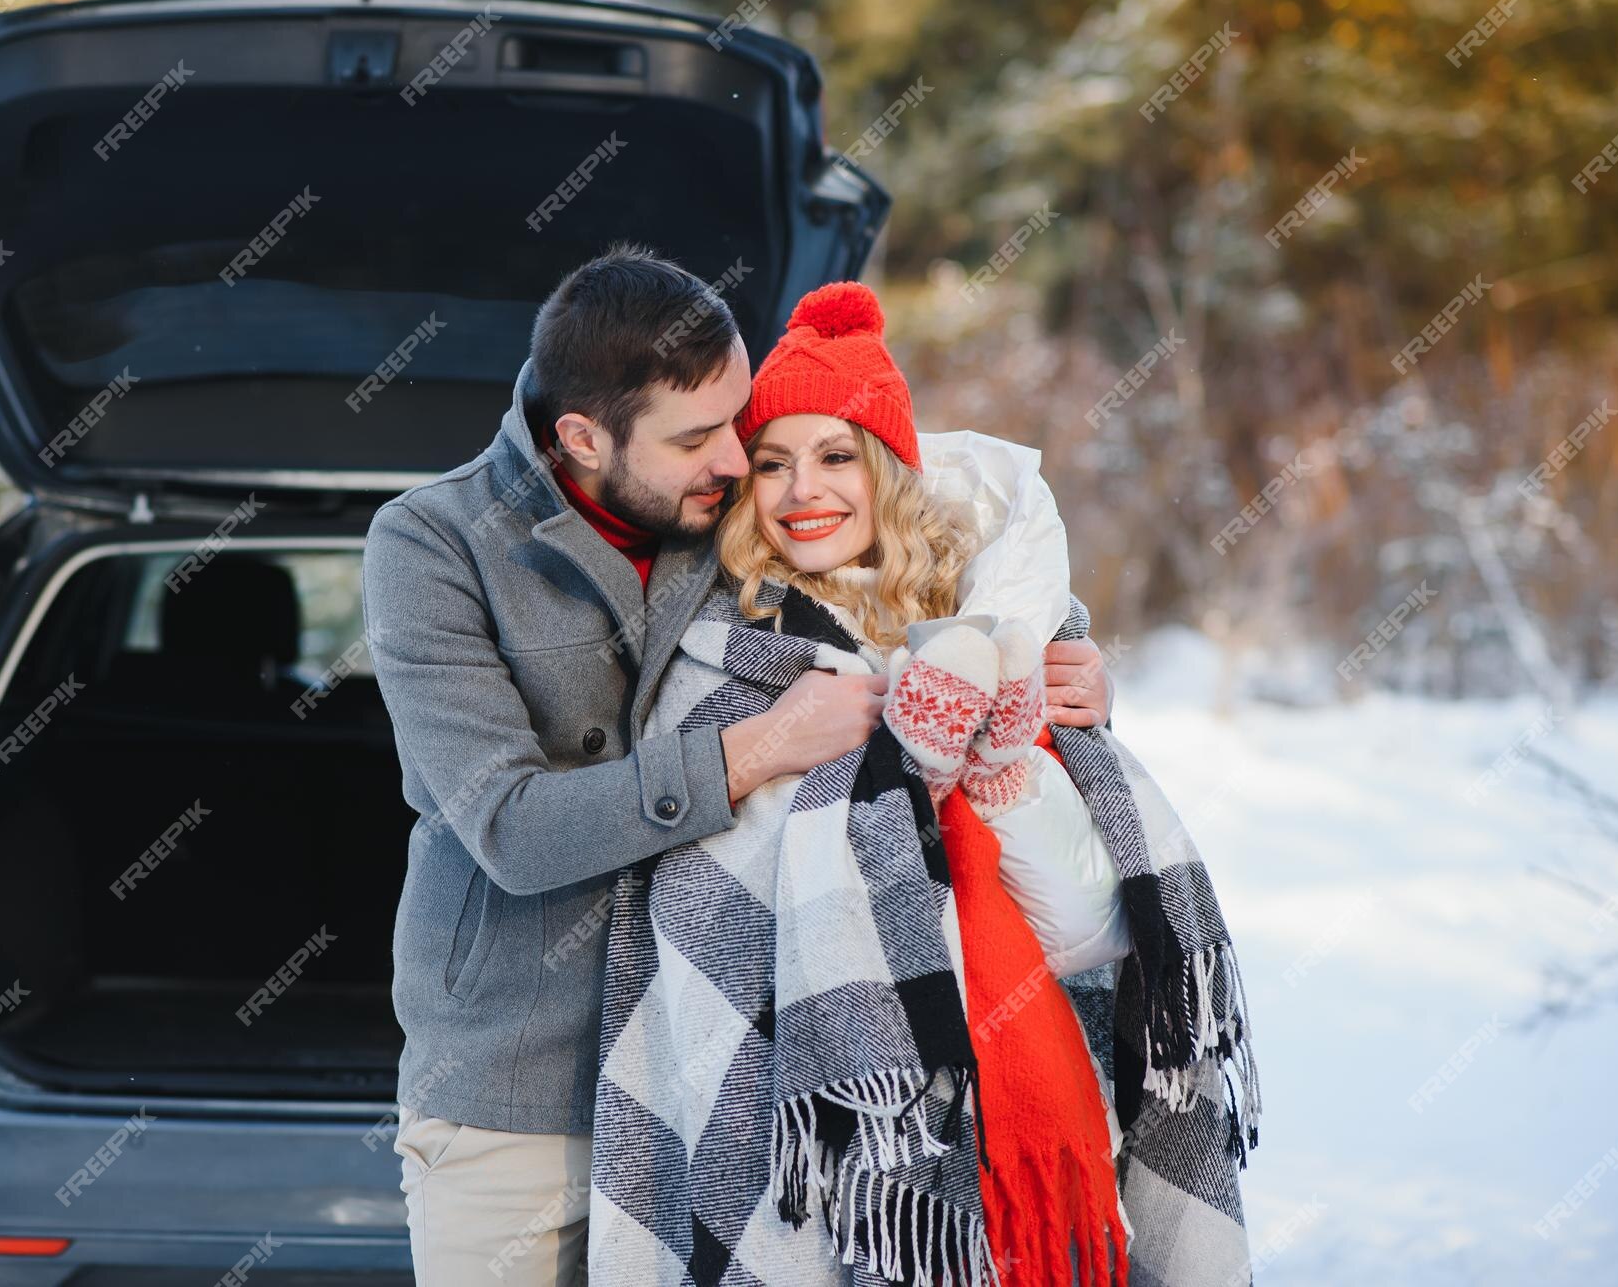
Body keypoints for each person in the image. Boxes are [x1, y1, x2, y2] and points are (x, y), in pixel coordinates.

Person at [361, 247, 1114, 1286]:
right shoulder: (433, 544)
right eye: (700, 437)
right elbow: (512, 829)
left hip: (730, 1055)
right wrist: (762, 744)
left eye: (738, 420)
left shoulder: (726, 503)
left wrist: (1049, 650)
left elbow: (927, 528)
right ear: (583, 437)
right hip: (522, 1078)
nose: (738, 457)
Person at [590, 282, 1260, 1287]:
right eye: (769, 463)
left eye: (833, 456)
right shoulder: (722, 659)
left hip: (1020, 1123)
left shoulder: (1011, 644)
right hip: (828, 1138)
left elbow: (1089, 932)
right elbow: (705, 924)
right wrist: (894, 756)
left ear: (890, 472)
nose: (800, 490)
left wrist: (999, 761)